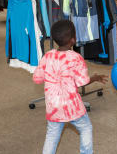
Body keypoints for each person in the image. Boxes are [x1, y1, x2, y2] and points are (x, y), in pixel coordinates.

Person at [33, 20, 108, 154]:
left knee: (51, 136)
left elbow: (37, 79)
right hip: (73, 108)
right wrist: (95, 77)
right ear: (73, 40)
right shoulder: (76, 58)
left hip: (53, 107)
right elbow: (82, 82)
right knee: (85, 128)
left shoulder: (47, 56)